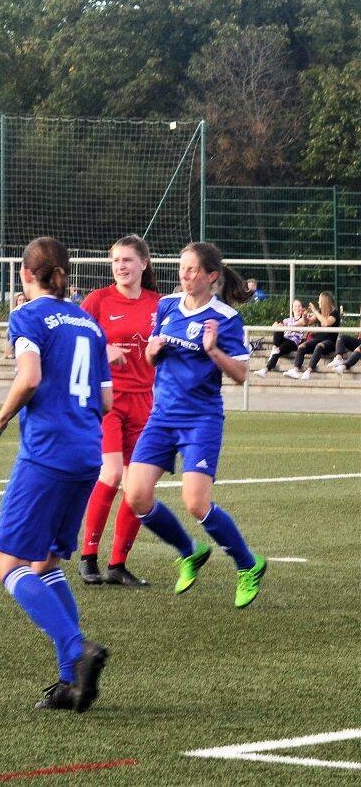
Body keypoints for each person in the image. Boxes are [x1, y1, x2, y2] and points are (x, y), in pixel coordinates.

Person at [0, 236, 112, 713]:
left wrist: (1, 418)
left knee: (8, 565)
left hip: (47, 453)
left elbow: (30, 376)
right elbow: (106, 401)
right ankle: (69, 683)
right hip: (87, 453)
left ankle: (77, 649)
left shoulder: (27, 316)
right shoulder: (89, 323)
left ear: (25, 274)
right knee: (46, 564)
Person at [124, 242, 266, 609]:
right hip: (162, 416)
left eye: (192, 270)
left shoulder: (225, 318)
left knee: (195, 503)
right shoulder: (167, 306)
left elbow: (240, 374)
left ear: (211, 276)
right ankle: (189, 551)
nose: (184, 275)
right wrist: (152, 351)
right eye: (182, 268)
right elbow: (151, 355)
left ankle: (247, 565)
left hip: (201, 418)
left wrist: (213, 350)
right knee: (136, 495)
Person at [76, 236, 161, 588]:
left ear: (144, 263)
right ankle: (87, 557)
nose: (121, 266)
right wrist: (103, 350)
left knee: (138, 488)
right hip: (108, 400)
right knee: (111, 473)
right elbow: (74, 342)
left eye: (127, 260)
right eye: (115, 261)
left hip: (146, 403)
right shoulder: (98, 300)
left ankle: (117, 565)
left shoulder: (160, 304)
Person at [284, 291, 340, 380]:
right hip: (317, 339)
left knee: (319, 346)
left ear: (325, 301)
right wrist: (304, 316)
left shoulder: (334, 313)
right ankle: (295, 370)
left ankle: (308, 371)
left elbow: (326, 323)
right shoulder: (320, 312)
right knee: (302, 347)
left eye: (320, 300)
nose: (318, 302)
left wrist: (315, 311)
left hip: (329, 341)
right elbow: (308, 322)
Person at [253, 299, 310, 377]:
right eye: (295, 306)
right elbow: (274, 326)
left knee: (277, 351)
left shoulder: (304, 319)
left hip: (293, 342)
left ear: (302, 308)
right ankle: (273, 351)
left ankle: (265, 369)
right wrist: (277, 325)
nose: (297, 308)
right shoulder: (287, 320)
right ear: (292, 308)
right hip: (284, 339)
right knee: (277, 340)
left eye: (299, 306)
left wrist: (286, 326)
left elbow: (302, 322)